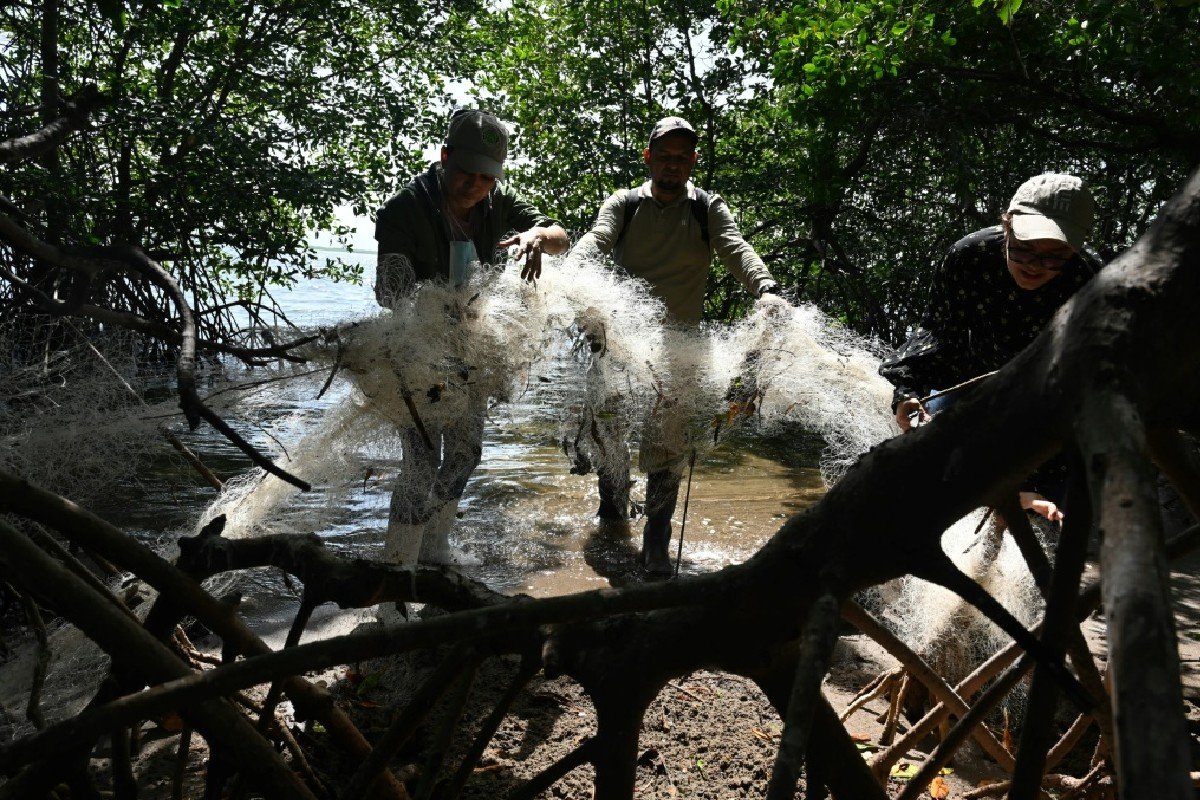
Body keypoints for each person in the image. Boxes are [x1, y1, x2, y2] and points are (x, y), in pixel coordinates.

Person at [569, 116, 784, 576]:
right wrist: (575, 270)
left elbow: (735, 247)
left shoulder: (706, 207)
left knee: (667, 450)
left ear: (693, 162)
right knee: (609, 441)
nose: (673, 165)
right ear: (648, 158)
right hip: (618, 349)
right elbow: (596, 240)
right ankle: (612, 524)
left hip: (679, 351)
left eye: (682, 158)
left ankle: (656, 544)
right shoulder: (624, 204)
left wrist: (765, 287)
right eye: (664, 157)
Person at [374, 108, 569, 567]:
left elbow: (562, 236)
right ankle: (397, 563)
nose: (476, 186)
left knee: (466, 454)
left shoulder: (498, 203)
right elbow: (387, 294)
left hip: (471, 354)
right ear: (444, 158)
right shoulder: (404, 208)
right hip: (416, 353)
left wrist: (537, 235)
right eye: (467, 174)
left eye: (487, 178)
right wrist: (435, 302)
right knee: (420, 463)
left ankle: (434, 547)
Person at [879, 173, 1103, 521]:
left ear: (1076, 247)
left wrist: (1031, 488)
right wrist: (907, 393)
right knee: (924, 482)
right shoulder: (970, 256)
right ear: (1006, 226)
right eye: (1024, 248)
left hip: (1047, 403)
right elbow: (937, 336)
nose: (1034, 265)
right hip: (971, 384)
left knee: (1048, 512)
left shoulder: (1088, 279)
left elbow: (1080, 385)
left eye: (1054, 256)